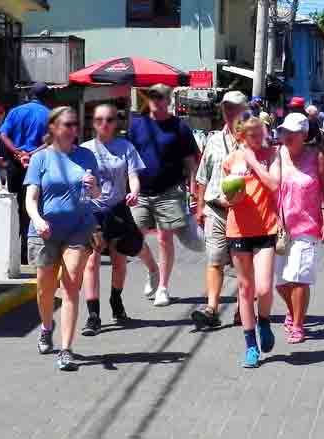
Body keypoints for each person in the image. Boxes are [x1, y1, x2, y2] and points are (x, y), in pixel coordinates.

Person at [24, 106, 100, 371]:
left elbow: (96, 196)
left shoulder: (86, 157)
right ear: (54, 128)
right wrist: (38, 219)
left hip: (79, 228)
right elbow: (31, 198)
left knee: (70, 285)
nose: (73, 130)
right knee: (45, 288)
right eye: (67, 125)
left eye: (75, 125)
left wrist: (94, 188)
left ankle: (66, 349)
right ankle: (46, 327)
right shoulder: (41, 159)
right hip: (45, 231)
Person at [127, 84, 199, 307]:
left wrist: (194, 190)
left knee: (164, 238)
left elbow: (190, 162)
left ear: (169, 101)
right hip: (141, 190)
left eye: (161, 98)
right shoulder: (137, 125)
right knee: (133, 237)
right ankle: (152, 268)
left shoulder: (179, 127)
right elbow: (127, 158)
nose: (156, 101)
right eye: (152, 97)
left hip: (169, 190)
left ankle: (163, 288)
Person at [80, 104, 146, 335]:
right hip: (93, 211)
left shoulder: (125, 147)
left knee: (119, 260)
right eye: (99, 119)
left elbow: (133, 175)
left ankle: (115, 299)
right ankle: (93, 315)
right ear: (93, 123)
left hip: (118, 209)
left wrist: (134, 192)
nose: (104, 123)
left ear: (115, 122)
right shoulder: (84, 150)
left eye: (109, 119)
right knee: (91, 261)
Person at [222, 117, 279, 367]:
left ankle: (264, 321)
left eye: (261, 134)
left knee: (264, 288)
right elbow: (221, 196)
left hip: (266, 228)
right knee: (245, 289)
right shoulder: (230, 160)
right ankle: (250, 347)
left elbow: (274, 184)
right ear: (241, 137)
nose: (258, 139)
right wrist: (230, 200)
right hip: (238, 230)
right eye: (252, 135)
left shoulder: (273, 154)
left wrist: (254, 162)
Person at [275, 113, 324, 345]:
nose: (286, 136)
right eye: (284, 132)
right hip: (280, 226)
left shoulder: (316, 156)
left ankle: (298, 326)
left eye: (292, 133)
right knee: (281, 282)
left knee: (298, 277)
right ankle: (293, 312)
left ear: (304, 135)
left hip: (307, 225)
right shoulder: (277, 155)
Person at [192, 91, 248, 329]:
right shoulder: (214, 139)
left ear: (244, 109)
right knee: (214, 258)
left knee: (242, 264)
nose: (229, 112)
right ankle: (212, 308)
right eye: (226, 107)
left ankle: (241, 309)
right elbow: (203, 175)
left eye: (234, 107)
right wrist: (200, 205)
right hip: (216, 209)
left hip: (245, 212)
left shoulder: (253, 138)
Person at [0, 82, 51, 264]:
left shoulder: (15, 112)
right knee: (33, 207)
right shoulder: (49, 115)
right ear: (46, 97)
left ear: (30, 95)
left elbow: (3, 135)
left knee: (14, 207)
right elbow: (50, 141)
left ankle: (12, 251)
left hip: (15, 165)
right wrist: (30, 154)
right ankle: (28, 252)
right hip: (37, 165)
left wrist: (17, 153)